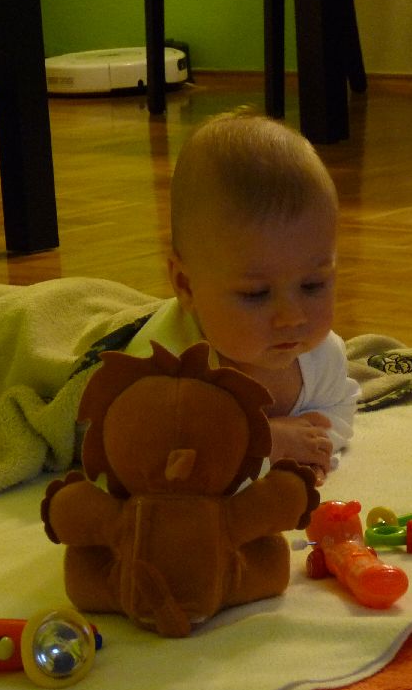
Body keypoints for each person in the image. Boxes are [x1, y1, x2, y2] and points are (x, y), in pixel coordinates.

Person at [122, 111, 359, 483]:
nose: (292, 317)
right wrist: (264, 444)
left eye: (313, 285)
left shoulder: (322, 355)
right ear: (186, 285)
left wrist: (313, 446)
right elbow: (142, 461)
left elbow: (339, 407)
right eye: (256, 294)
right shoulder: (165, 371)